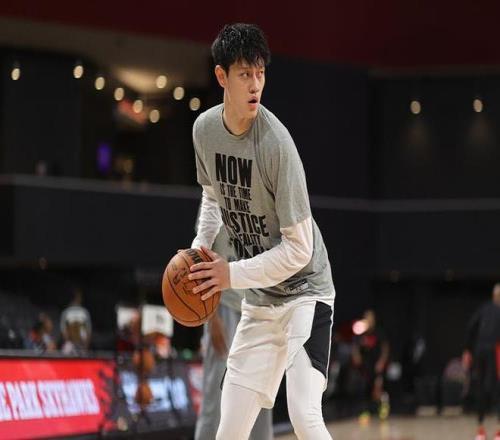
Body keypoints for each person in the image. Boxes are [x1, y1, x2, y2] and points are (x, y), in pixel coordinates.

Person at [189, 23, 335, 440]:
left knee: (304, 415)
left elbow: (299, 251)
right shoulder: (205, 131)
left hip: (306, 292)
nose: (255, 85)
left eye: (261, 73)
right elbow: (212, 196)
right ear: (222, 77)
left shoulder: (277, 146)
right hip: (261, 301)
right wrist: (199, 249)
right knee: (229, 429)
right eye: (244, 74)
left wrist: (230, 274)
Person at [195, 228, 273, 440]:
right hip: (224, 305)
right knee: (216, 394)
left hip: (259, 307)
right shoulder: (213, 209)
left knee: (262, 394)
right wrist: (211, 317)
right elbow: (200, 259)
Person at [463, 283, 500, 440]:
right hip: (491, 352)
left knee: (484, 387)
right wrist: (467, 350)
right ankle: (490, 430)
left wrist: (468, 349)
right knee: (491, 388)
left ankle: (483, 430)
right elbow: (471, 327)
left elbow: (470, 327)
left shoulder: (484, 308)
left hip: (483, 352)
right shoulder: (488, 309)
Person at [351, 309, 390, 423]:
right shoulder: (361, 333)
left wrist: (381, 361)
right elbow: (355, 346)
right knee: (365, 389)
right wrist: (356, 356)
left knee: (378, 388)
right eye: (366, 318)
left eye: (370, 318)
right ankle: (365, 412)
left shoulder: (379, 332)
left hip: (377, 365)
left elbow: (385, 348)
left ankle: (383, 408)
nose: (369, 320)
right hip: (366, 366)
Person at [60, 287, 92, 355]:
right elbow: (64, 330)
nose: (80, 298)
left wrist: (86, 346)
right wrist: (68, 342)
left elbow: (88, 330)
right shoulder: (66, 312)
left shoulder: (84, 312)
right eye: (79, 297)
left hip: (81, 345)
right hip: (70, 345)